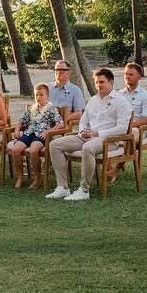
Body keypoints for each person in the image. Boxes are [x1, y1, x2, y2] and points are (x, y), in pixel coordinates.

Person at [45, 67, 130, 202]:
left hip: (109, 140)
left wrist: (97, 133)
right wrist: (83, 131)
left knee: (88, 147)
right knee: (55, 145)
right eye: (96, 82)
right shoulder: (93, 100)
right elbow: (83, 121)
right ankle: (62, 187)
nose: (98, 85)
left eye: (101, 82)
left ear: (111, 82)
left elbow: (122, 128)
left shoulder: (121, 102)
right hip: (86, 137)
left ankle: (84, 190)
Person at [7, 83, 62, 189]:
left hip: (42, 134)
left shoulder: (52, 109)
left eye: (41, 95)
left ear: (47, 96)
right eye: (36, 95)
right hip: (29, 132)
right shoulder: (32, 108)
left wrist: (49, 131)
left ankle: (37, 178)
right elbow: (21, 121)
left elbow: (61, 124)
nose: (38, 97)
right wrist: (17, 129)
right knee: (15, 150)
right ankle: (20, 177)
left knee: (33, 150)